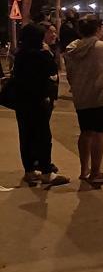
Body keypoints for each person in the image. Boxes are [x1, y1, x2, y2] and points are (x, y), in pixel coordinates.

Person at [64, 16, 103, 186]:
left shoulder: (72, 48)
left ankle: (84, 170)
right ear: (98, 29)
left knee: (86, 132)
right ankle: (96, 172)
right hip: (102, 96)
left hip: (81, 96)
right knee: (99, 133)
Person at [11, 23, 69, 187]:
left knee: (26, 135)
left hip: (22, 101)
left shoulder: (21, 53)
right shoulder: (40, 54)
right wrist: (47, 52)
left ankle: (29, 170)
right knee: (43, 136)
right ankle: (46, 172)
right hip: (39, 101)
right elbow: (51, 70)